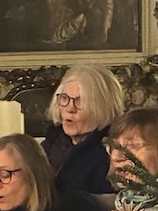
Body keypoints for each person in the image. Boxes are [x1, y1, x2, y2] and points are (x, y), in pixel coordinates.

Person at [42, 65, 124, 200]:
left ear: (102, 107)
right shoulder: (49, 144)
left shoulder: (110, 154)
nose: (70, 108)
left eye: (80, 101)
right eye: (64, 98)